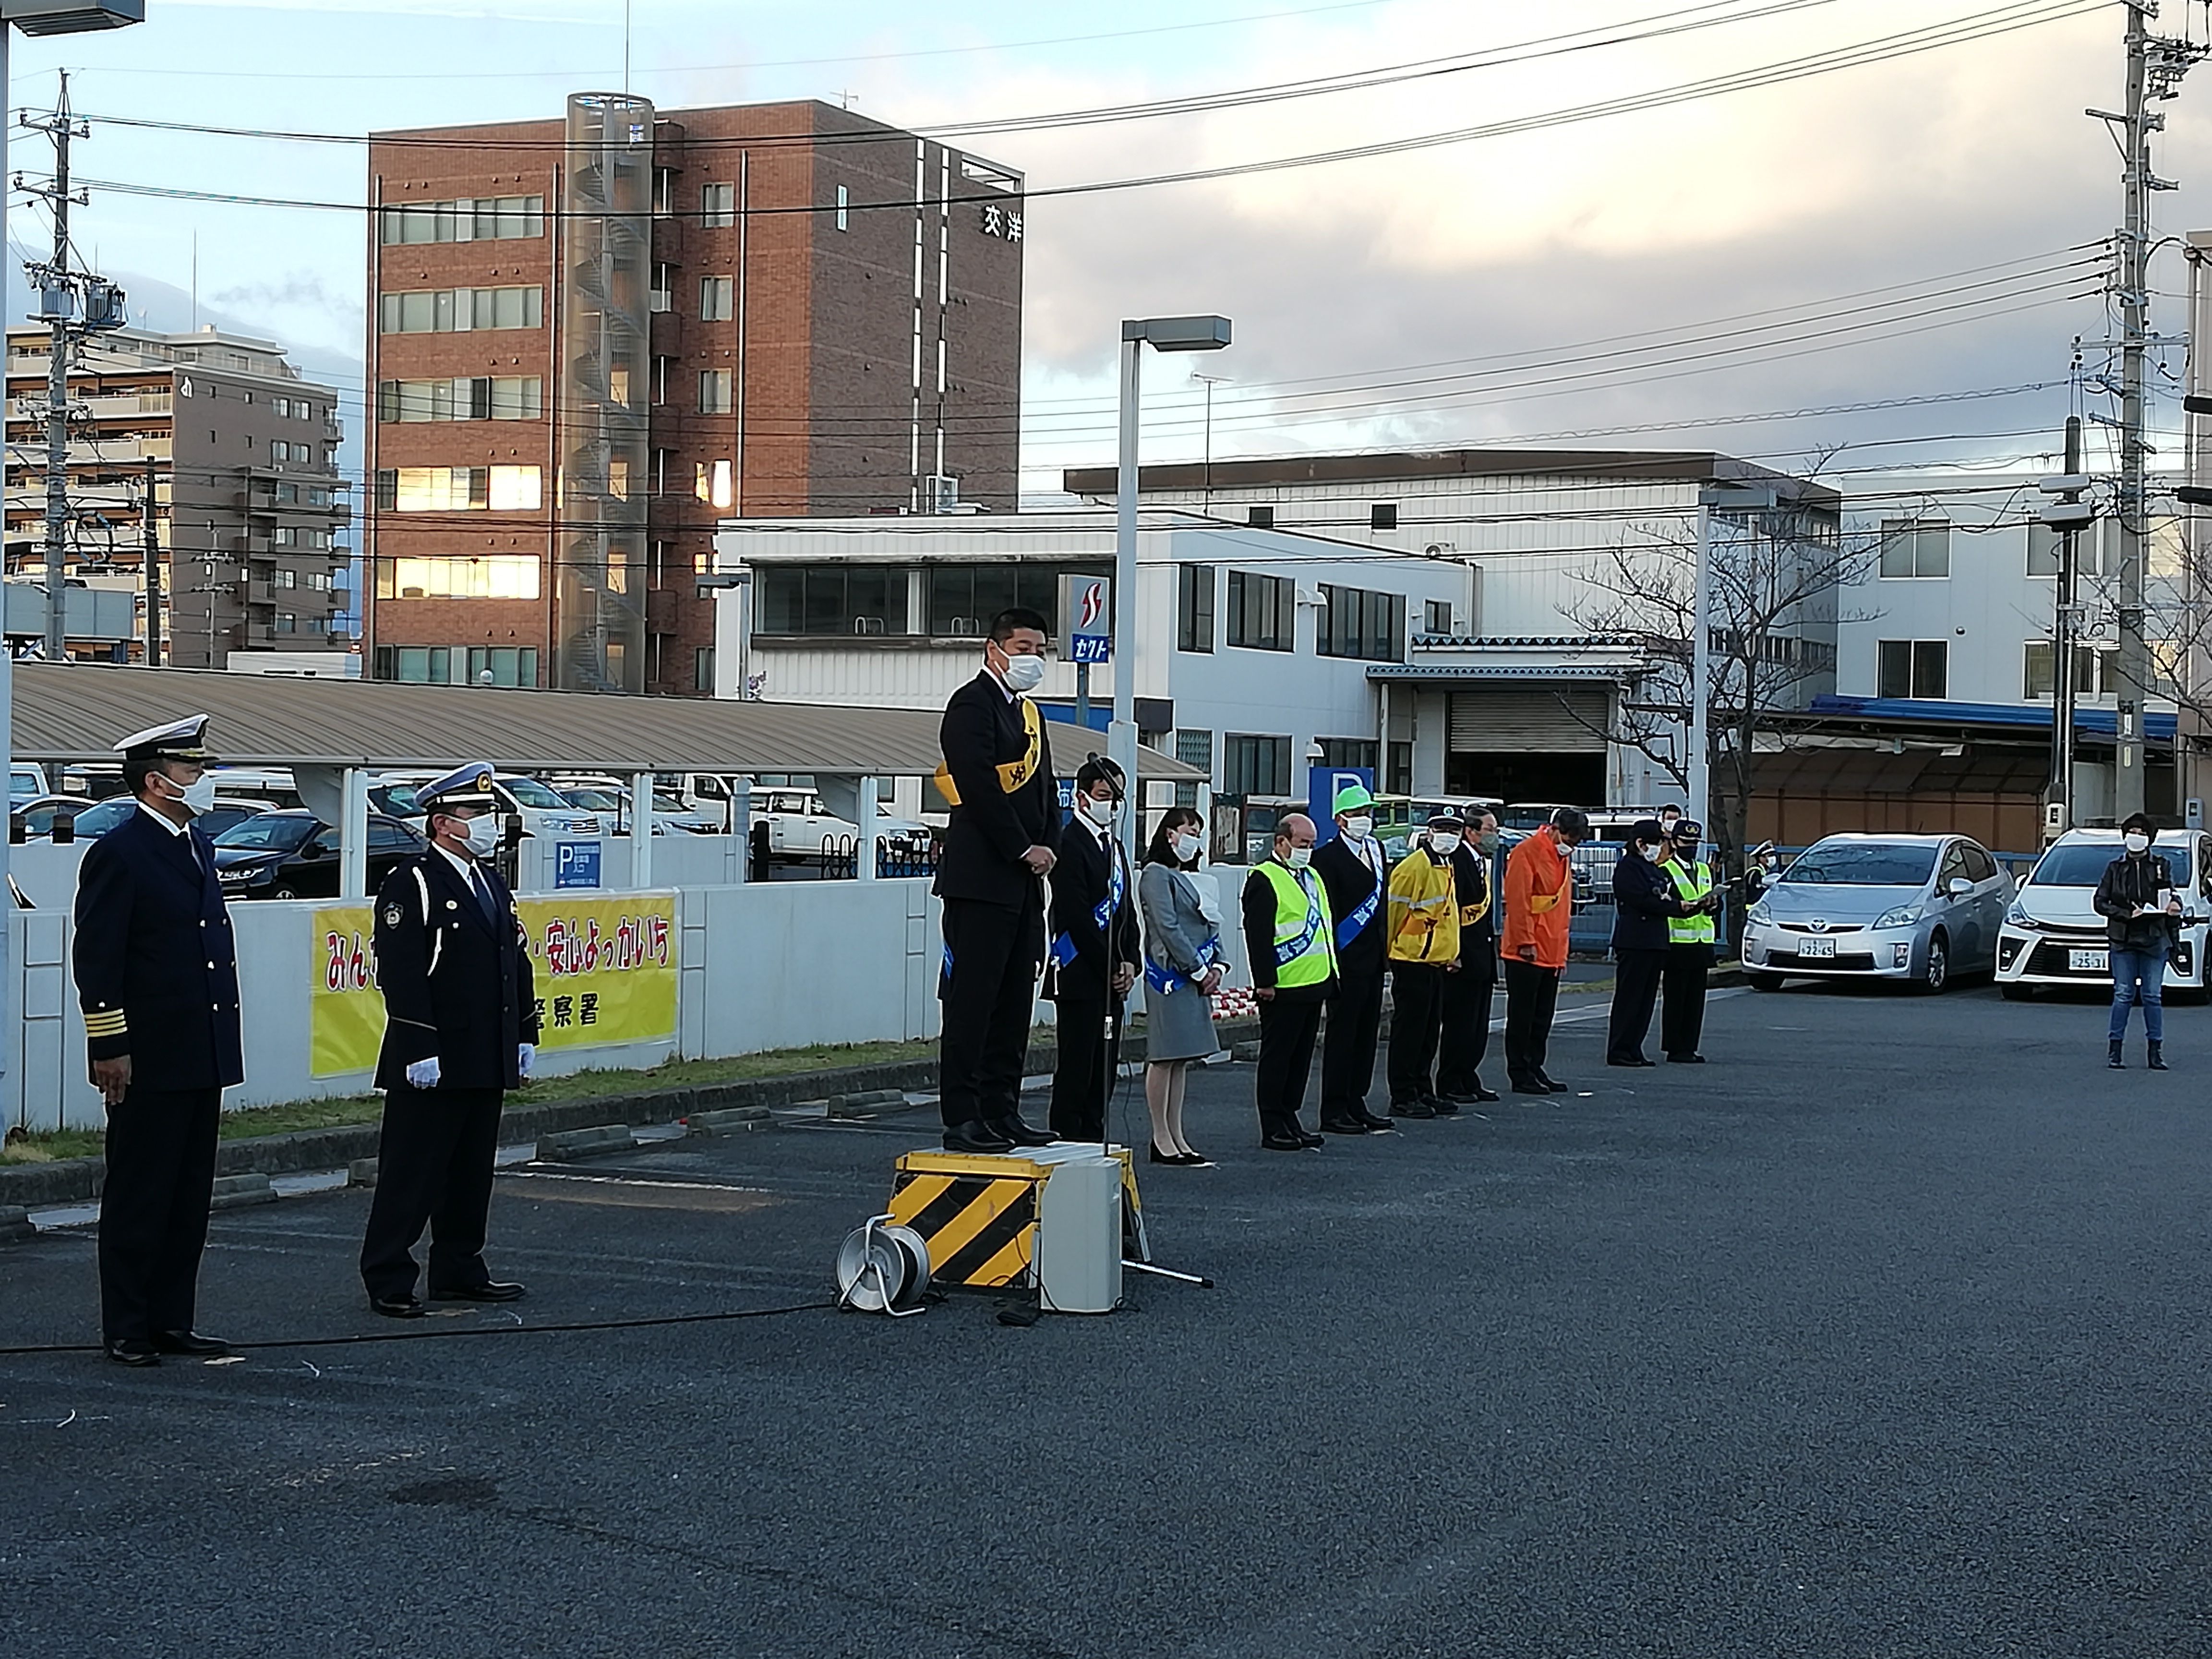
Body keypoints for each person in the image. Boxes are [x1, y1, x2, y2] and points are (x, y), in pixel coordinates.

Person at [72, 715, 243, 1367]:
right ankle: (129, 1325)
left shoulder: (195, 843)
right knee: (140, 1194)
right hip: (149, 1050)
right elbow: (98, 958)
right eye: (191, 769)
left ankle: (174, 1319)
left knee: (187, 1195)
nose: (202, 779)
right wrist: (109, 1045)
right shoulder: (120, 852)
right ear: (155, 780)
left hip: (199, 1047)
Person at [358, 763, 540, 1318]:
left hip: (484, 1046)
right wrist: (418, 1045)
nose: (485, 823)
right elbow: (403, 968)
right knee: (413, 1170)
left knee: (470, 1168)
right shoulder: (412, 881)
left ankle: (461, 1268)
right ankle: (388, 1275)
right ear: (441, 823)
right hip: (434, 1051)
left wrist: (524, 1033)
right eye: (474, 814)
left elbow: (514, 960)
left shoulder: (489, 879)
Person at [932, 607, 1061, 1152]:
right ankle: (963, 1116)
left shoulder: (1028, 714)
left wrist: (1052, 843)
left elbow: (1047, 788)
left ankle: (1001, 1110)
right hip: (982, 878)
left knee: (1014, 1004)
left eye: (1039, 649)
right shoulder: (972, 704)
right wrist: (1020, 847)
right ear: (994, 649)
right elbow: (978, 787)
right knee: (974, 1003)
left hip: (1024, 884)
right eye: (1023, 646)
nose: (1032, 658)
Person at [1045, 757, 1142, 1142]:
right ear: (1083, 799)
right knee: (1077, 1064)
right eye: (1104, 796)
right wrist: (1111, 966)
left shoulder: (1114, 846)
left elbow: (1127, 910)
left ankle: (1094, 1133)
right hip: (1081, 972)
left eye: (1118, 797)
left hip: (1113, 976)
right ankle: (1069, 1137)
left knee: (1105, 1066)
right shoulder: (1069, 844)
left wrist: (1130, 960)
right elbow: (1076, 914)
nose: (1111, 805)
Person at [1242, 813, 1338, 1150]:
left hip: (1314, 981)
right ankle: (1272, 1123)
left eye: (1312, 845)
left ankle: (1290, 1115)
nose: (1308, 851)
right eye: (1302, 845)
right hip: (1282, 985)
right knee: (1278, 1057)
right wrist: (1264, 981)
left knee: (1300, 1059)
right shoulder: (1264, 878)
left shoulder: (1311, 876)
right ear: (1281, 842)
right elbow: (1259, 935)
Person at [1138, 807, 1223, 1165]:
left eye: (1198, 833)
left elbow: (1210, 922)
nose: (1194, 839)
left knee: (1182, 1059)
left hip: (1196, 973)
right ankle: (1160, 1136)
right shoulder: (1156, 875)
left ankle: (1177, 1133)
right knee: (1164, 1055)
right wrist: (1198, 969)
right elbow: (1167, 927)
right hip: (1170, 975)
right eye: (1189, 831)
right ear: (1170, 834)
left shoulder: (1191, 877)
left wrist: (1218, 964)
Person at [1312, 783, 1396, 1135]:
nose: (1365, 819)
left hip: (1374, 959)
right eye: (1358, 813)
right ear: (1340, 819)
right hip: (1346, 959)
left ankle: (1356, 1101)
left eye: (1368, 813)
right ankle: (1334, 1107)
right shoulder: (1326, 858)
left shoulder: (1376, 850)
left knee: (1366, 1035)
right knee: (1343, 1033)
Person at [1502, 806, 1587, 1094]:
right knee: (1523, 1016)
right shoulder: (1527, 852)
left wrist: (1561, 952)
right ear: (1553, 829)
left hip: (1551, 949)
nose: (1570, 845)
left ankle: (1535, 1067)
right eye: (1568, 838)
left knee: (1542, 1017)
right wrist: (1525, 941)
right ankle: (1519, 1072)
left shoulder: (1561, 856)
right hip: (1527, 950)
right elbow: (1518, 900)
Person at [1384, 810, 1465, 1118]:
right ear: (1429, 831)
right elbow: (1395, 913)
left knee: (1429, 1031)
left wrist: (1451, 952)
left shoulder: (1446, 865)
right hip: (1411, 959)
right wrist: (1390, 952)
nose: (1448, 835)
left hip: (1435, 960)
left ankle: (1421, 1088)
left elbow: (1448, 915)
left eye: (1454, 829)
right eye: (1442, 828)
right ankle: (1403, 1095)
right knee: (1410, 1032)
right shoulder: (1413, 868)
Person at [2095, 812, 2181, 1070]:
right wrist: (2125, 914)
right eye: (2132, 833)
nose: (2136, 838)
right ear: (2124, 837)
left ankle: (2155, 1051)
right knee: (2123, 994)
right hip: (2123, 938)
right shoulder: (2115, 868)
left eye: (2142, 834)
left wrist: (2175, 905)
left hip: (2155, 938)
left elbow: (2170, 893)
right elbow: (2100, 902)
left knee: (2153, 995)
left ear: (2150, 839)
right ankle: (2115, 1050)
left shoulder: (2160, 865)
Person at [1606, 817, 1684, 1068]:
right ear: (1640, 843)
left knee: (1646, 1000)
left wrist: (1688, 907)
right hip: (1634, 940)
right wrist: (1672, 905)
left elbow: (1665, 897)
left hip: (1655, 940)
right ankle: (1620, 1048)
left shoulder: (1652, 868)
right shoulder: (1629, 868)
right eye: (1655, 843)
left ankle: (1634, 1047)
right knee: (1630, 997)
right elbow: (1642, 900)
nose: (1659, 848)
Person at [1435, 807, 1501, 1104]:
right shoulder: (1458, 861)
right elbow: (1454, 912)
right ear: (1471, 831)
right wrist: (1454, 953)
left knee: (1477, 1024)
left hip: (1482, 956)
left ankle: (1468, 1075)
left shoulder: (1481, 861)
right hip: (1463, 958)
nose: (1494, 836)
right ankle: (1451, 1079)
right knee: (1460, 1024)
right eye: (1490, 829)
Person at [1659, 817, 1719, 1063]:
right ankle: (1675, 1048)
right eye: (1686, 842)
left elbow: (1714, 904)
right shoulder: (1665, 870)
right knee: (1676, 999)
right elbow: (1669, 904)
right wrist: (1695, 907)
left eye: (1695, 842)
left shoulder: (1704, 869)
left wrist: (1714, 904)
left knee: (1695, 1001)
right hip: (1677, 944)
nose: (1691, 846)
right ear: (1674, 842)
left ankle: (1690, 1046)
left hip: (1701, 944)